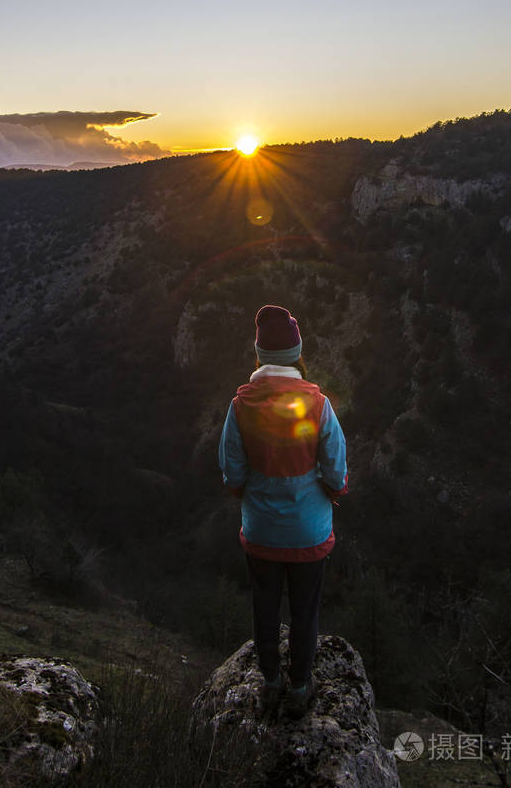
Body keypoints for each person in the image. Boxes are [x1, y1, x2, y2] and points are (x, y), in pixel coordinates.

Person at [218, 304, 347, 718]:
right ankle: (300, 684)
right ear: (296, 354)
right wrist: (331, 491)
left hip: (262, 531)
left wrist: (247, 492)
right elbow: (337, 469)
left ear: (259, 355)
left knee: (265, 604)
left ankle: (270, 678)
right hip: (308, 531)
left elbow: (231, 470)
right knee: (306, 608)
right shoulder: (318, 404)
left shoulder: (240, 406)